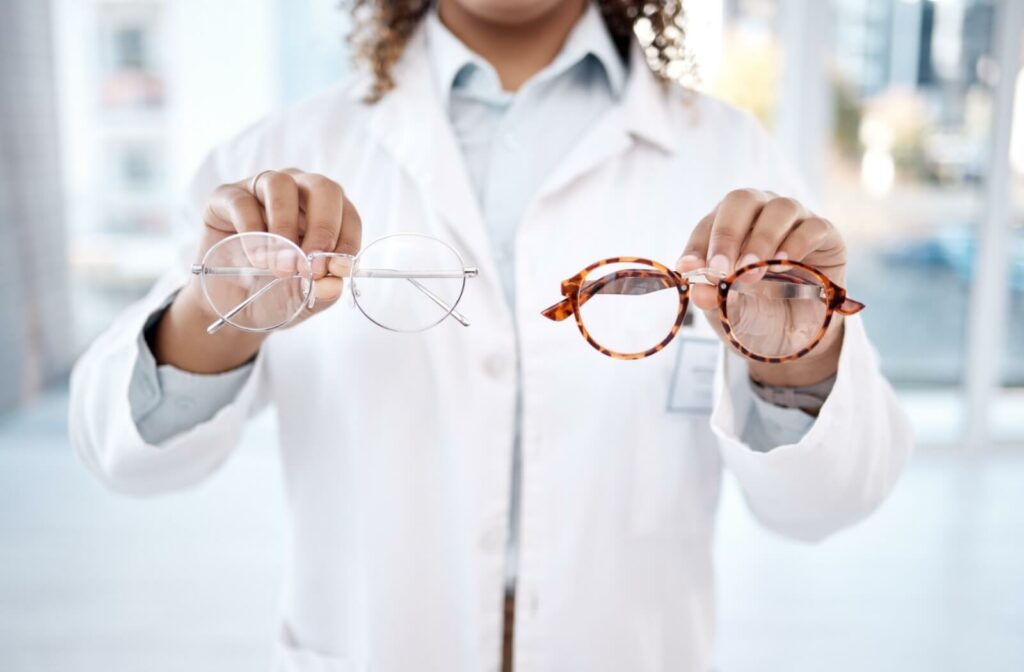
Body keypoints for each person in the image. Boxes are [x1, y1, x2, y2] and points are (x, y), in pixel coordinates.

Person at [69, 1, 913, 670]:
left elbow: (827, 500)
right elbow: (123, 445)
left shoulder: (728, 155)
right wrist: (215, 308)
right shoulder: (283, 154)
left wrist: (795, 355)